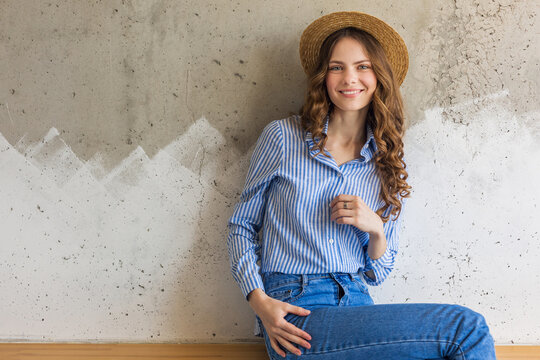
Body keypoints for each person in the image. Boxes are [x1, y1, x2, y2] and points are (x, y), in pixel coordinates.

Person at [227, 11, 496, 359]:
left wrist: (376, 229)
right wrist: (260, 302)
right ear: (324, 77)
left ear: (378, 76)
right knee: (466, 330)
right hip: (297, 312)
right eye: (337, 67)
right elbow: (241, 225)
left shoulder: (387, 160)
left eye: (363, 66)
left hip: (358, 303)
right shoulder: (283, 137)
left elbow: (377, 273)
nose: (349, 78)